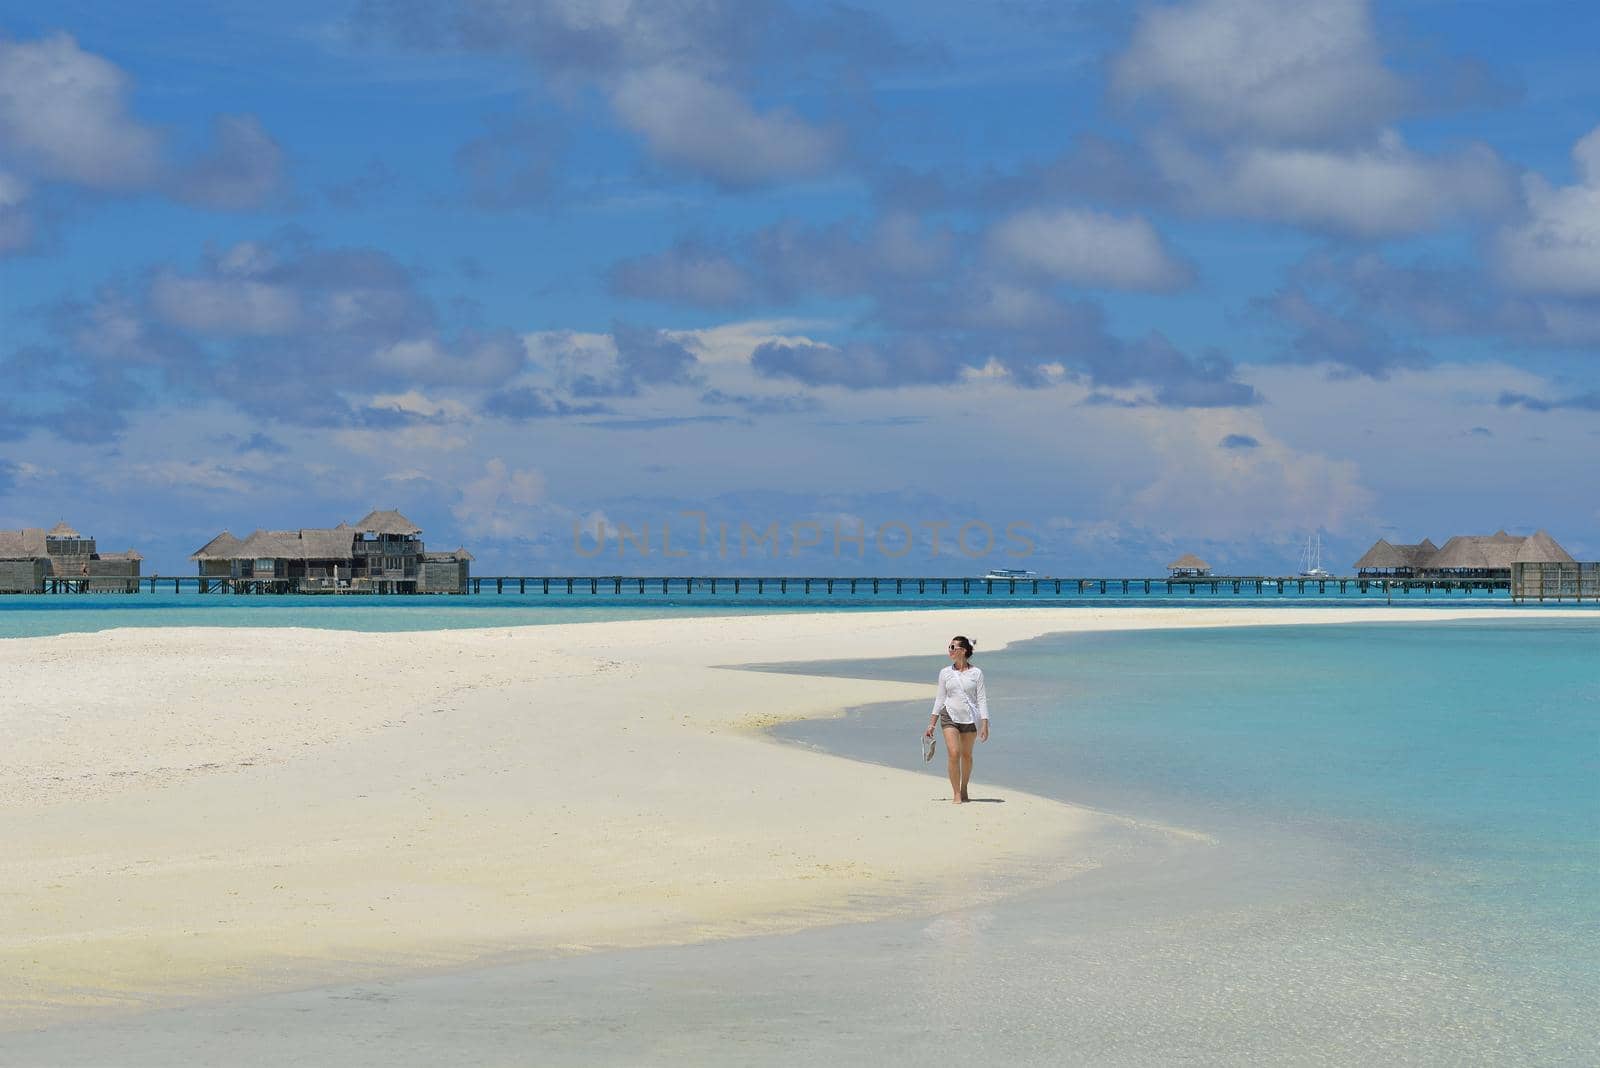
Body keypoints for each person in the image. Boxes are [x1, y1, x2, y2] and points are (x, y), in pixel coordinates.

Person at [924, 635, 989, 803]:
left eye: (954, 647)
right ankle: (956, 793)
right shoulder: (945, 673)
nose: (950, 650)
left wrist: (985, 723)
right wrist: (931, 724)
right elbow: (939, 699)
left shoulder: (977, 673)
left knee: (966, 755)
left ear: (964, 651)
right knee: (954, 753)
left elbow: (981, 699)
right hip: (949, 715)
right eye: (949, 647)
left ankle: (964, 787)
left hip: (970, 718)